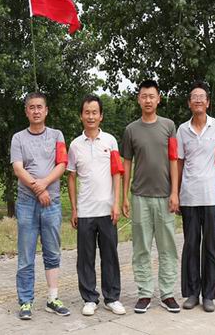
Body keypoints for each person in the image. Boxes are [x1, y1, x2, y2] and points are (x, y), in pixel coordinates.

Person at [10, 91, 71, 320]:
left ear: (46, 111)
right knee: (26, 254)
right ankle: (25, 301)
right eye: (31, 107)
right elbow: (18, 168)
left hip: (51, 202)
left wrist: (44, 185)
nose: (36, 111)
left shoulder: (57, 135)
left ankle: (53, 298)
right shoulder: (18, 138)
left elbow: (62, 164)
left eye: (39, 107)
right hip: (27, 203)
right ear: (26, 111)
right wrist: (38, 189)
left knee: (52, 251)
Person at [121, 79, 181, 314]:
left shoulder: (169, 126)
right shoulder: (131, 130)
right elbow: (127, 163)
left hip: (165, 196)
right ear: (139, 99)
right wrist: (124, 196)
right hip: (139, 196)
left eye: (151, 96)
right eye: (144, 96)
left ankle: (167, 293)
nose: (148, 100)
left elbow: (174, 160)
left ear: (158, 99)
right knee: (141, 248)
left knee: (167, 248)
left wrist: (175, 192)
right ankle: (144, 293)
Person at [67, 94, 127, 316]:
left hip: (107, 209)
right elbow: (71, 177)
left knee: (110, 255)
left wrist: (116, 203)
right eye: (87, 112)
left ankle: (112, 298)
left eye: (95, 112)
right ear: (81, 116)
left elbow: (117, 173)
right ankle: (89, 298)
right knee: (85, 257)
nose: (90, 116)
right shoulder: (75, 145)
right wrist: (74, 208)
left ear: (101, 116)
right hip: (85, 211)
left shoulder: (110, 141)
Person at [176, 81, 215, 313]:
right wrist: (175, 193)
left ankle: (208, 295)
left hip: (210, 196)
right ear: (189, 103)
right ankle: (192, 293)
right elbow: (179, 162)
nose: (198, 100)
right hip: (188, 196)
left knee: (210, 247)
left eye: (202, 97)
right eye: (194, 97)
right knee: (190, 246)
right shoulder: (182, 130)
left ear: (207, 102)